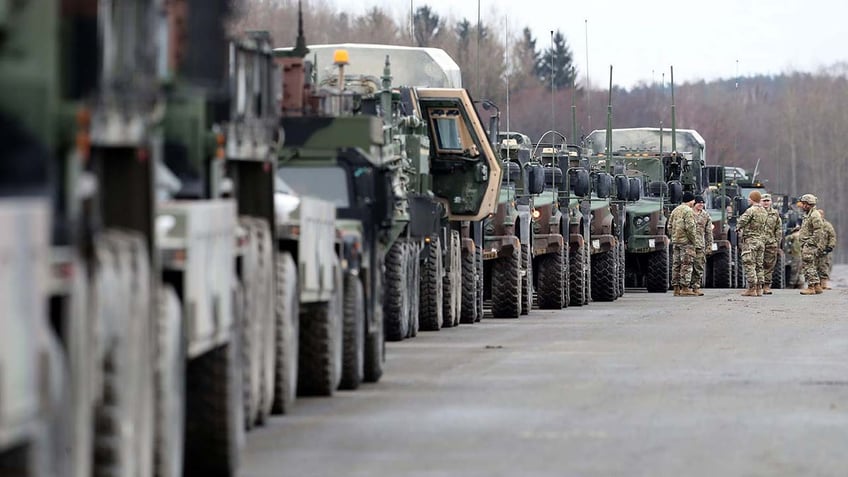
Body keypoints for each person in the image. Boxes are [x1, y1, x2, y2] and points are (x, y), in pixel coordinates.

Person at [736, 190, 768, 296]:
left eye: (750, 198)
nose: (748, 200)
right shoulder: (764, 211)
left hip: (750, 241)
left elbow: (741, 222)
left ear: (753, 199)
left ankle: (751, 288)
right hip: (761, 241)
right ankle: (759, 288)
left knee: (749, 264)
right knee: (759, 265)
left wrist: (738, 228)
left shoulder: (751, 210)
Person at [669, 191, 698, 296]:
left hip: (676, 241)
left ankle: (676, 288)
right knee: (686, 264)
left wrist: (674, 236)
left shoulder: (675, 210)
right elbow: (690, 227)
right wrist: (694, 240)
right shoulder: (688, 211)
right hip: (686, 242)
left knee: (676, 265)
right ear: (691, 200)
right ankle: (685, 287)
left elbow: (669, 226)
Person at [797, 194, 825, 295]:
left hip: (809, 245)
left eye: (804, 204)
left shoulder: (814, 215)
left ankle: (811, 287)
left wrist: (810, 243)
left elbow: (819, 231)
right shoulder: (809, 214)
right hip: (806, 243)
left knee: (808, 265)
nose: (802, 206)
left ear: (809, 204)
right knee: (810, 265)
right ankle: (817, 286)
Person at [690, 195, 714, 296]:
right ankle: (684, 287)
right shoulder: (688, 213)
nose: (701, 204)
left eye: (702, 203)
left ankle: (696, 287)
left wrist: (709, 246)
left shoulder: (706, 216)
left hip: (700, 244)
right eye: (699, 203)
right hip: (688, 244)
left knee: (698, 266)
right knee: (685, 266)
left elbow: (709, 232)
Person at [760, 194, 783, 294]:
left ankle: (766, 285)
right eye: (764, 201)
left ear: (771, 202)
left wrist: (777, 242)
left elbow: (778, 229)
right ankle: (756, 285)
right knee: (756, 264)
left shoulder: (775, 214)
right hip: (758, 243)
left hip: (770, 243)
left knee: (769, 265)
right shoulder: (755, 212)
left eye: (767, 201)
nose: (765, 203)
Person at [817, 208, 837, 290]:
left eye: (820, 214)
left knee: (824, 267)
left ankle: (824, 284)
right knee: (814, 267)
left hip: (825, 250)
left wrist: (830, 247)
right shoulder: (813, 225)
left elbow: (832, 237)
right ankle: (816, 284)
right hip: (815, 250)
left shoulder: (827, 225)